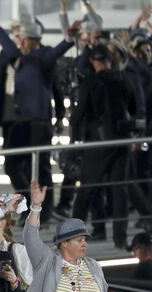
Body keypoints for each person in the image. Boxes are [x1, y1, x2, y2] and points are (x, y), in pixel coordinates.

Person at [0, 19, 78, 218]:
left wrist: (58, 115)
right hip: (14, 122)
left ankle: (44, 212)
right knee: (12, 165)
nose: (19, 42)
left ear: (32, 40)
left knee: (41, 169)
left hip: (38, 121)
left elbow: (57, 63)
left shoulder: (42, 57)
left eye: (22, 38)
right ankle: (28, 201)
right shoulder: (11, 56)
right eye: (17, 37)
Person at [71, 43, 142, 250]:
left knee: (85, 192)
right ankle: (120, 240)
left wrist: (75, 141)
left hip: (97, 144)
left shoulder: (88, 83)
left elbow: (78, 115)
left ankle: (72, 237)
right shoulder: (124, 78)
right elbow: (134, 108)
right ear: (109, 60)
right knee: (120, 191)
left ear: (93, 62)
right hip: (120, 142)